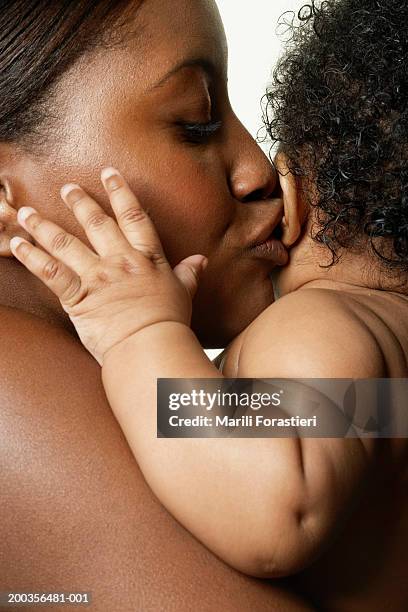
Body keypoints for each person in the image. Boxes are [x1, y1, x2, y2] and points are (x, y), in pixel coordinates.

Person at [11, 1, 408, 611]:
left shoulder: (327, 327)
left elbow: (276, 503)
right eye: (198, 121)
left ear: (307, 191)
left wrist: (140, 332)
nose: (258, 174)